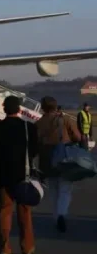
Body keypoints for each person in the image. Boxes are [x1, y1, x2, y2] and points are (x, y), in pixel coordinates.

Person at [0, 95, 38, 254]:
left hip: (3, 175)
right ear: (19, 109)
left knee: (4, 212)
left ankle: (4, 249)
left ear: (4, 108)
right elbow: (34, 151)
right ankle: (27, 246)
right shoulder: (29, 127)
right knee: (25, 211)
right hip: (24, 175)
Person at [35, 96, 81, 233]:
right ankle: (61, 214)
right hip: (64, 159)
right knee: (65, 189)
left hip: (47, 161)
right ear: (56, 106)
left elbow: (36, 143)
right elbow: (77, 137)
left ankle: (56, 218)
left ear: (43, 108)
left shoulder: (38, 123)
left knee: (53, 190)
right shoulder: (65, 119)